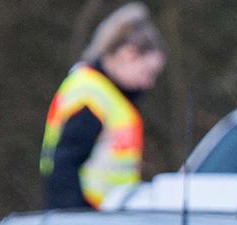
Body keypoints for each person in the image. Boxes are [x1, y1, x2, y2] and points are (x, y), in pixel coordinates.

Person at [41, 3, 163, 213]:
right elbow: (65, 165)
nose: (149, 83)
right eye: (147, 72)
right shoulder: (91, 94)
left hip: (103, 219)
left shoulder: (111, 95)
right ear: (129, 54)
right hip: (86, 219)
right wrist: (75, 219)